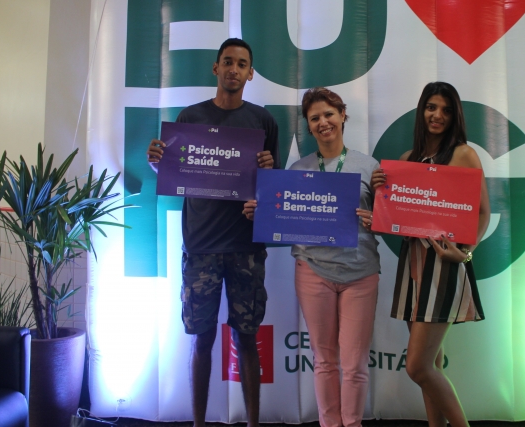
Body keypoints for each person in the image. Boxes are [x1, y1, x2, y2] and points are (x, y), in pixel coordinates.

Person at [146, 38, 279, 427]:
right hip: (201, 245)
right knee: (201, 338)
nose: (234, 69)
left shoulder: (263, 121)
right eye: (228, 62)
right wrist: (158, 164)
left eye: (242, 64)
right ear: (216, 68)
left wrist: (269, 170)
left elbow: (273, 188)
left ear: (250, 73)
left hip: (246, 246)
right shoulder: (190, 117)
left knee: (247, 338)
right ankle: (199, 423)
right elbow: (174, 172)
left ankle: (252, 423)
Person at [243, 87, 380, 427]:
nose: (323, 122)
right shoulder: (298, 168)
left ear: (343, 116)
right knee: (324, 361)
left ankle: (352, 424)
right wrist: (261, 213)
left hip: (360, 274)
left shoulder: (369, 166)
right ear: (309, 125)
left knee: (354, 365)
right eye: (315, 118)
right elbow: (284, 215)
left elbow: (386, 219)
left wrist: (378, 219)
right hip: (313, 272)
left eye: (329, 114)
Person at [374, 82, 491, 427]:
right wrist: (383, 191)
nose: (437, 115)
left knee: (418, 367)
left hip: (444, 266)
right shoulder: (407, 160)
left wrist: (466, 253)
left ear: (455, 116)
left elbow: (483, 212)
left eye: (446, 110)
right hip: (413, 265)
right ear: (421, 110)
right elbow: (397, 217)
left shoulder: (464, 154)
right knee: (432, 364)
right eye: (431, 107)